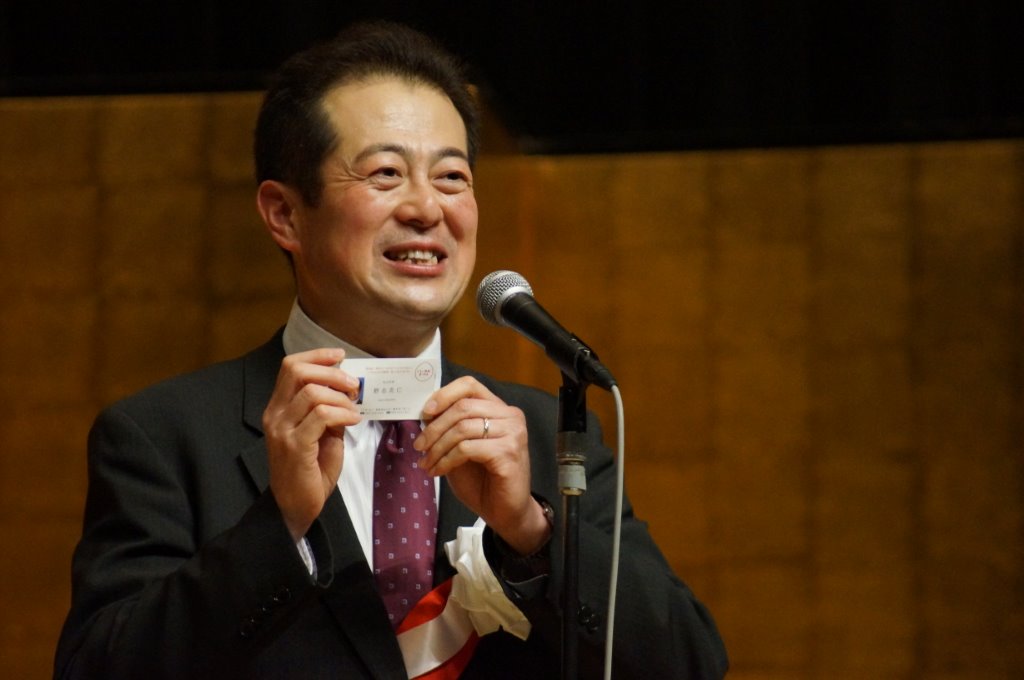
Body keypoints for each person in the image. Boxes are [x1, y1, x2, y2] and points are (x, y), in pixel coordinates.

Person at [54, 20, 727, 679]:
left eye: (452, 177)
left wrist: (532, 533)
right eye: (385, 173)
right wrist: (279, 526)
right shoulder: (163, 436)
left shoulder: (551, 433)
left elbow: (688, 662)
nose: (427, 209)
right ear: (285, 214)